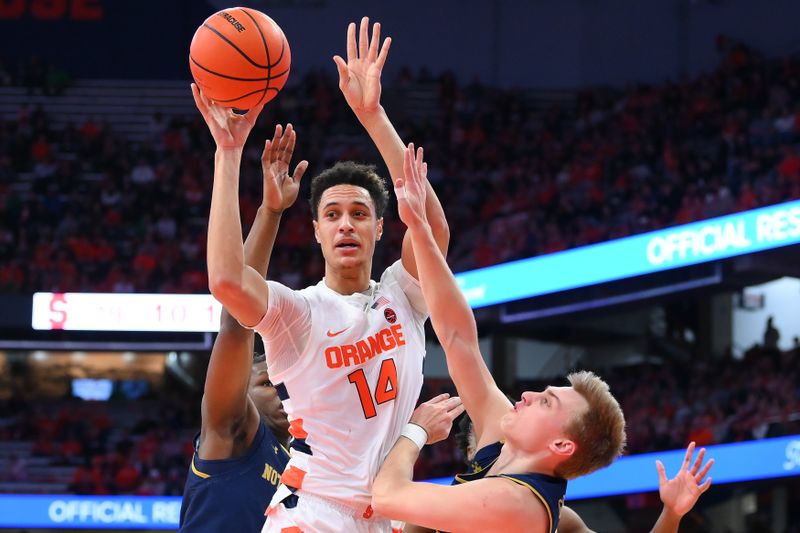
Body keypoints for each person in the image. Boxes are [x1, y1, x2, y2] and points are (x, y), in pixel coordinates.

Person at [192, 16, 449, 533]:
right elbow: (225, 280)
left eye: (358, 213)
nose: (345, 224)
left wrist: (373, 115)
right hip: (311, 515)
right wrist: (228, 152)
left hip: (387, 515)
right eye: (332, 215)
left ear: (381, 227)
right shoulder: (298, 312)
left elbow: (433, 231)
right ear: (315, 232)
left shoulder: (404, 292)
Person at [372, 146, 626, 533]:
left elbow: (388, 496)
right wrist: (420, 231)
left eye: (545, 402)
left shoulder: (518, 506)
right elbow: (458, 337)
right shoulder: (501, 446)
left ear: (560, 446)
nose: (525, 396)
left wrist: (416, 430)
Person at [179, 124, 304, 532]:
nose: (284, 397)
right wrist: (269, 213)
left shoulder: (298, 466)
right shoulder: (232, 433)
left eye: (286, 387)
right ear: (242, 388)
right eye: (268, 383)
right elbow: (237, 316)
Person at [399, 416, 712, 533]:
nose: (504, 448)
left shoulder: (555, 519)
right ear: (472, 454)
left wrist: (672, 512)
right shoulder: (431, 514)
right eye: (493, 440)